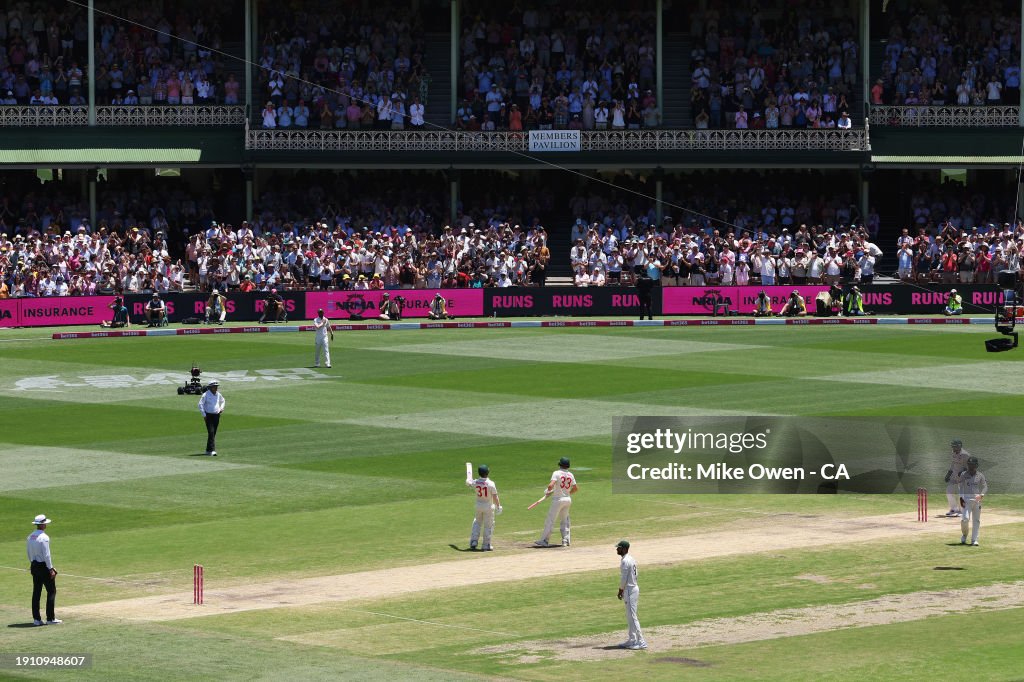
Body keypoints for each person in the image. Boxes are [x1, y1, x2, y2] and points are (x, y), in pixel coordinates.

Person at [535, 457, 578, 547]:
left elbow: (551, 485)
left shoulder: (556, 473)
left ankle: (544, 541)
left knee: (550, 520)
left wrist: (548, 491)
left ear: (560, 465)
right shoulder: (571, 474)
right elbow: (575, 488)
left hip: (558, 500)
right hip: (567, 500)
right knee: (565, 520)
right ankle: (565, 541)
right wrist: (567, 493)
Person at [27, 514, 60, 626]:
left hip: (34, 565)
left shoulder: (30, 536)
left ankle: (36, 619)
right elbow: (47, 555)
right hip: (43, 567)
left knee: (36, 592)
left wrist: (32, 563)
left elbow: (29, 552)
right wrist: (51, 568)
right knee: (51, 591)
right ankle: (50, 618)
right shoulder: (44, 537)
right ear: (43, 524)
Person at [616, 539, 646, 649]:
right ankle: (632, 639)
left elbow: (623, 578)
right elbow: (636, 573)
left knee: (632, 616)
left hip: (630, 590)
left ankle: (641, 641)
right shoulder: (631, 559)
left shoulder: (625, 561)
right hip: (633, 588)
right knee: (629, 616)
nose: (617, 550)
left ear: (624, 549)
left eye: (618, 548)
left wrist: (620, 590)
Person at [466, 464, 501, 551]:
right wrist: (498, 506)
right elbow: (495, 497)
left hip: (478, 506)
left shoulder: (476, 482)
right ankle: (486, 545)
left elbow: (470, 483)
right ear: (487, 473)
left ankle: (473, 541)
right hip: (488, 507)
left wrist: (468, 482)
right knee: (488, 525)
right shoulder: (491, 484)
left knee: (477, 523)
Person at [957, 456, 988, 546]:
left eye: (972, 465)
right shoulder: (963, 474)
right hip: (966, 500)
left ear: (976, 465)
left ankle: (974, 540)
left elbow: (985, 486)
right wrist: (961, 497)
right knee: (965, 519)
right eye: (969, 464)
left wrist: (981, 495)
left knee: (976, 521)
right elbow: (960, 486)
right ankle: (964, 534)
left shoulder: (980, 475)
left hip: (976, 501)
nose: (970, 466)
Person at [198, 380, 225, 456]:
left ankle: (208, 450)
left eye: (216, 386)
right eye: (214, 386)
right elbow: (200, 404)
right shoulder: (205, 395)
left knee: (213, 433)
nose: (216, 388)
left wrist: (221, 408)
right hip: (208, 416)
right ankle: (212, 450)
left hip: (216, 415)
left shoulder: (218, 394)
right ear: (210, 387)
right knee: (211, 432)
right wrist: (204, 415)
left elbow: (223, 401)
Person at [945, 439, 970, 517]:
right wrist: (948, 474)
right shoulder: (953, 453)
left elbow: (969, 467)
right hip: (954, 476)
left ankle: (963, 511)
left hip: (963, 477)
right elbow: (952, 465)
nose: (953, 448)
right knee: (949, 492)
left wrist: (962, 472)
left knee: (961, 494)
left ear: (959, 446)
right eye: (952, 446)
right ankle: (954, 509)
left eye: (955, 447)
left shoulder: (966, 455)